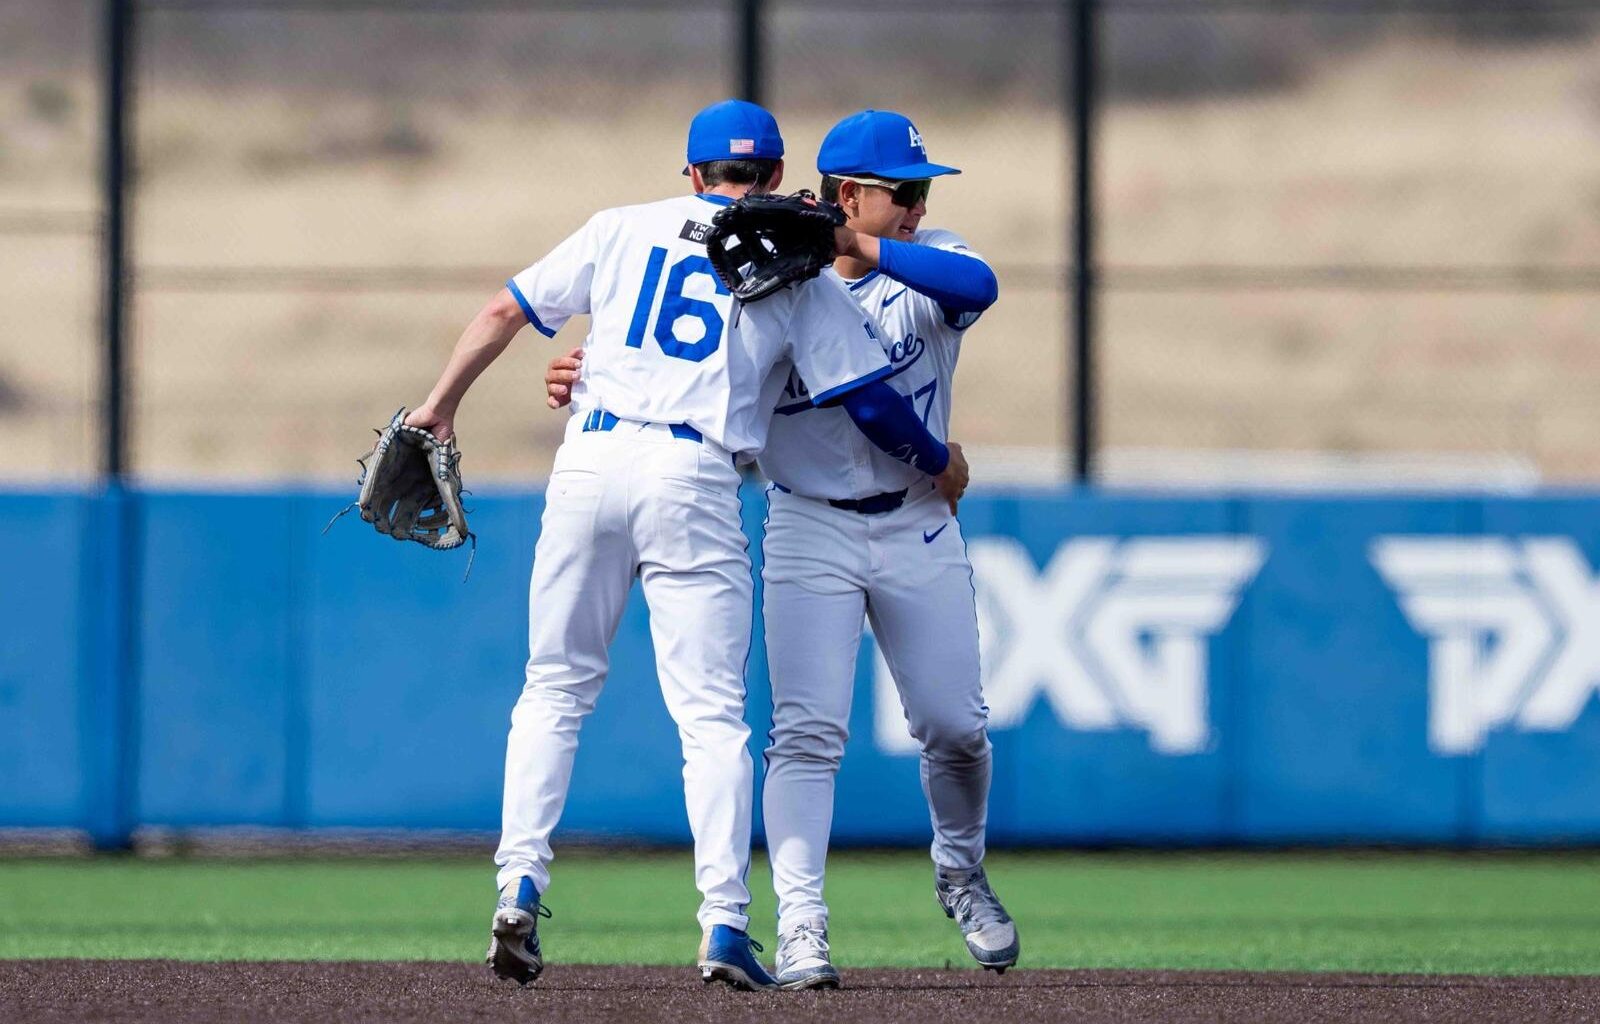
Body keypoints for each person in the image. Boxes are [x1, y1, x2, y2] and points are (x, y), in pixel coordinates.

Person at [407, 99, 969, 991]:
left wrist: (436, 406)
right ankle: (722, 926)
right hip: (693, 473)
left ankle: (518, 882)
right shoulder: (797, 266)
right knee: (710, 717)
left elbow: (502, 310)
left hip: (589, 459)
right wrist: (937, 459)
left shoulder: (621, 228)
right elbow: (867, 400)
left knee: (554, 686)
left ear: (692, 173)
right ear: (781, 178)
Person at [543, 110, 1015, 989]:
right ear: (848, 191)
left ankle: (959, 869)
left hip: (915, 519)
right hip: (808, 524)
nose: (918, 206)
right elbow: (660, 352)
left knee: (957, 727)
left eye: (921, 192)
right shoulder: (761, 277)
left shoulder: (926, 258)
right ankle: (802, 925)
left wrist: (853, 242)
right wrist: (581, 370)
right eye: (902, 192)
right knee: (805, 736)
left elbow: (978, 284)